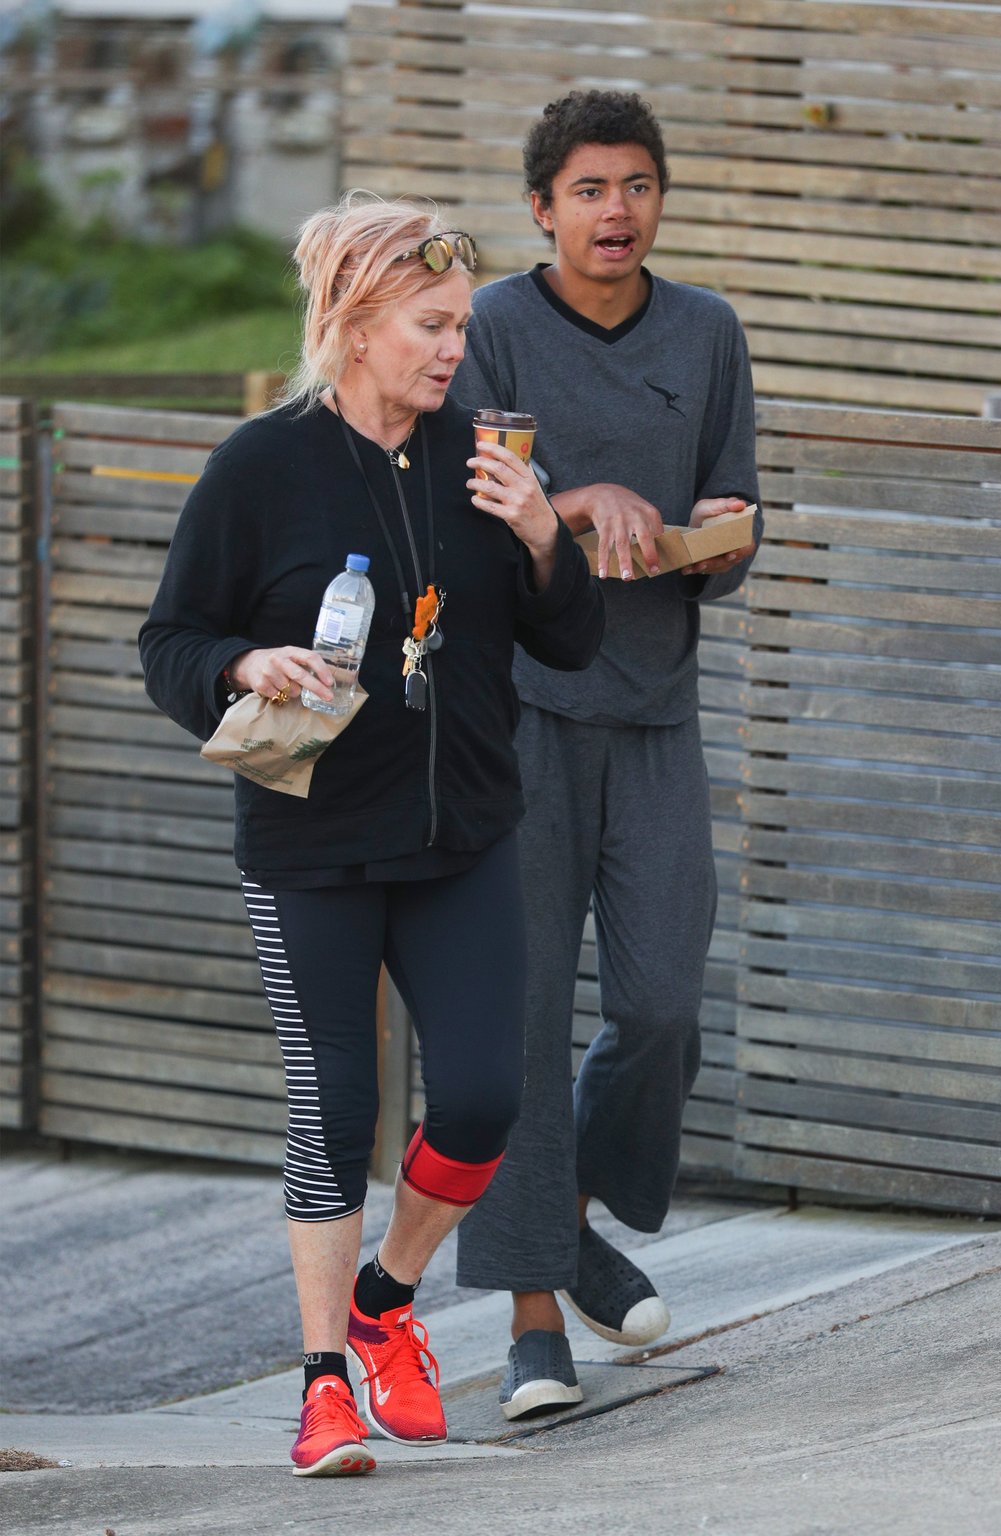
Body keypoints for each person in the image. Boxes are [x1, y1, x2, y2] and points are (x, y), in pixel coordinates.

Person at [139, 193, 604, 1476]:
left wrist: (540, 535)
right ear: (352, 321)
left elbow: (570, 645)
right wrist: (243, 662)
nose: (456, 349)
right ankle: (322, 1386)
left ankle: (388, 1302)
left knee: (480, 1097)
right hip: (310, 851)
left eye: (461, 325)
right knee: (333, 1111)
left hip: (463, 840)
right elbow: (167, 642)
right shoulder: (259, 465)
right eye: (430, 325)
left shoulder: (482, 459)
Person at [453, 89, 763, 1420]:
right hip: (519, 712)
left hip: (654, 707)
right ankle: (534, 1323)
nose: (615, 211)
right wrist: (575, 503)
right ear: (541, 208)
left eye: (636, 185)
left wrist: (723, 534)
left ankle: (567, 1222)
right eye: (588, 188)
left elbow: (737, 514)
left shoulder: (707, 333)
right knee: (520, 1023)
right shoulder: (492, 331)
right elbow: (467, 529)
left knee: (659, 1006)